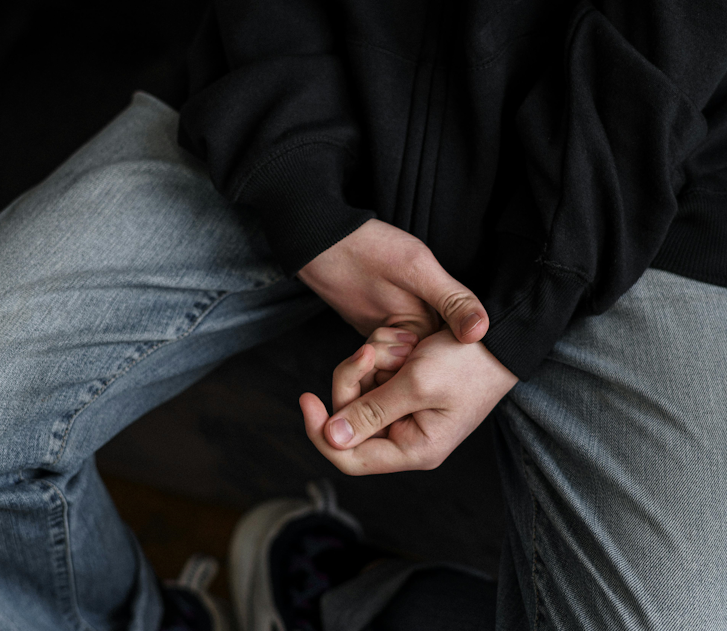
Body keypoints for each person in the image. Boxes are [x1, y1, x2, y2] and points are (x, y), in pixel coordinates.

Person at [2, 0, 727, 628]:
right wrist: (299, 190)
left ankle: (343, 598)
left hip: (653, 186)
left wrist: (521, 313)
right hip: (302, 89)